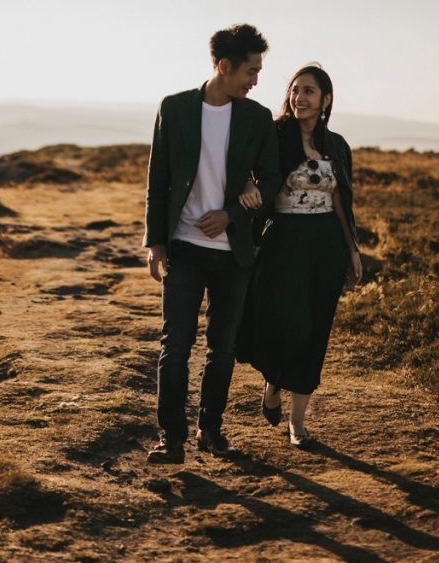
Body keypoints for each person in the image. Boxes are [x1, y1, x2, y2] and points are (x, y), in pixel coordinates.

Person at [143, 24, 281, 463]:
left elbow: (272, 181)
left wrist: (234, 214)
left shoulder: (257, 119)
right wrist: (156, 241)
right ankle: (171, 439)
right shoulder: (175, 108)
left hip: (233, 253)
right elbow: (158, 178)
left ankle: (211, 431)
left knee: (222, 350)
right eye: (251, 70)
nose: (256, 79)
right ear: (224, 66)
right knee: (175, 346)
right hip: (183, 248)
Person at [236, 63, 362, 448]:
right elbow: (240, 164)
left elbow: (341, 200)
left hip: (326, 244)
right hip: (284, 240)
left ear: (325, 100)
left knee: (316, 329)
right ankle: (274, 384)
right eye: (295, 90)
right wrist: (245, 185)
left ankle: (298, 424)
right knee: (289, 324)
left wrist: (353, 250)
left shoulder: (337, 144)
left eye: (308, 91)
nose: (299, 97)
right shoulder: (273, 135)